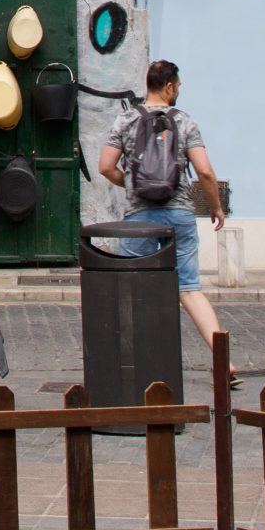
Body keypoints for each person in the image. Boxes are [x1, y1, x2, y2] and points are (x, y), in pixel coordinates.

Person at [99, 60, 228, 357]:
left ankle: (137, 360)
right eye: (178, 86)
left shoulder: (126, 120)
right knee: (189, 289)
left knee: (132, 286)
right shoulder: (184, 121)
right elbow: (205, 172)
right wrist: (216, 207)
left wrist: (131, 184)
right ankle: (222, 359)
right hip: (179, 214)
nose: (178, 91)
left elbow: (105, 166)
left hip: (138, 216)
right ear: (169, 87)